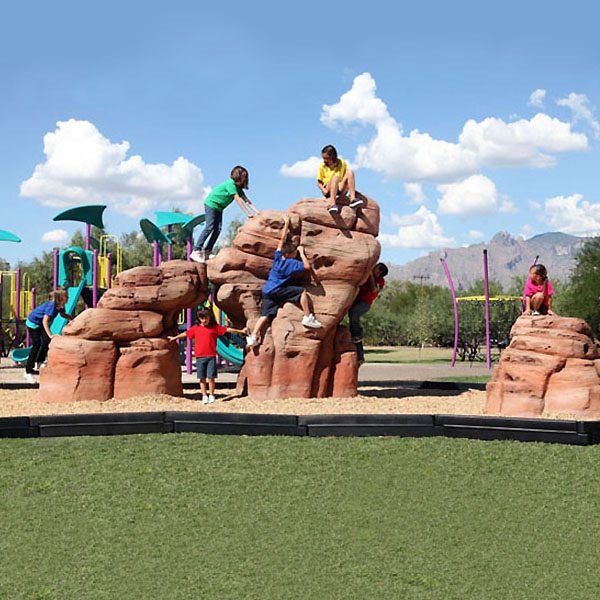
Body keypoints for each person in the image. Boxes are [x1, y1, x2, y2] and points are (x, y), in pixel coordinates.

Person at [246, 215, 322, 347]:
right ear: (289, 255)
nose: (295, 255)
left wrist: (286, 224)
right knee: (301, 292)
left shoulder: (277, 258)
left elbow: (281, 240)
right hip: (277, 290)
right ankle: (308, 317)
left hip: (268, 291)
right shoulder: (291, 263)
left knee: (265, 315)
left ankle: (253, 336)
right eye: (294, 253)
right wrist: (302, 253)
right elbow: (307, 267)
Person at [168, 308, 248, 404]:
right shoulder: (195, 328)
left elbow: (227, 329)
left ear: (210, 317)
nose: (204, 320)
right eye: (202, 318)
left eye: (206, 318)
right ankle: (204, 395)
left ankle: (211, 395)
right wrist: (174, 338)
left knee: (211, 378)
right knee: (202, 378)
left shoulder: (214, 327)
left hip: (211, 356)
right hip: (200, 357)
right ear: (199, 318)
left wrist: (241, 331)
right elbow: (185, 334)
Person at [190, 165, 258, 263]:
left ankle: (207, 251)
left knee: (217, 229)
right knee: (209, 227)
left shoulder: (239, 188)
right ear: (238, 176)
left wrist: (257, 212)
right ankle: (196, 250)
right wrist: (248, 213)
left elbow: (247, 201)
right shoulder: (231, 184)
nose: (246, 179)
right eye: (244, 176)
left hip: (219, 208)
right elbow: (238, 200)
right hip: (211, 204)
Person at [24, 289, 71, 383]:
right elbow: (45, 321)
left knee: (46, 341)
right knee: (37, 345)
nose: (68, 298)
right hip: (33, 323)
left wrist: (72, 319)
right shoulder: (51, 306)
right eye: (66, 296)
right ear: (61, 298)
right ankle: (28, 371)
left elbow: (62, 314)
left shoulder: (60, 305)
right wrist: (50, 335)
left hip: (40, 324)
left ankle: (39, 361)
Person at [348, 263, 388, 364]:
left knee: (354, 314)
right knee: (353, 325)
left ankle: (357, 334)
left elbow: (374, 289)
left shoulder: (380, 281)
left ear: (379, 272)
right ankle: (360, 355)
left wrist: (370, 275)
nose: (374, 268)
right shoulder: (366, 275)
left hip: (364, 303)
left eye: (376, 267)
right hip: (356, 301)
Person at [317, 144, 362, 214]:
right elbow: (319, 182)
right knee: (335, 177)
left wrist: (347, 187)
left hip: (340, 187)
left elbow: (346, 177)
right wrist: (324, 190)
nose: (324, 160)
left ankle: (353, 199)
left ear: (333, 157)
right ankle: (333, 204)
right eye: (323, 158)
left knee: (350, 172)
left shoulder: (342, 163)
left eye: (326, 158)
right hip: (328, 188)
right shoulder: (322, 166)